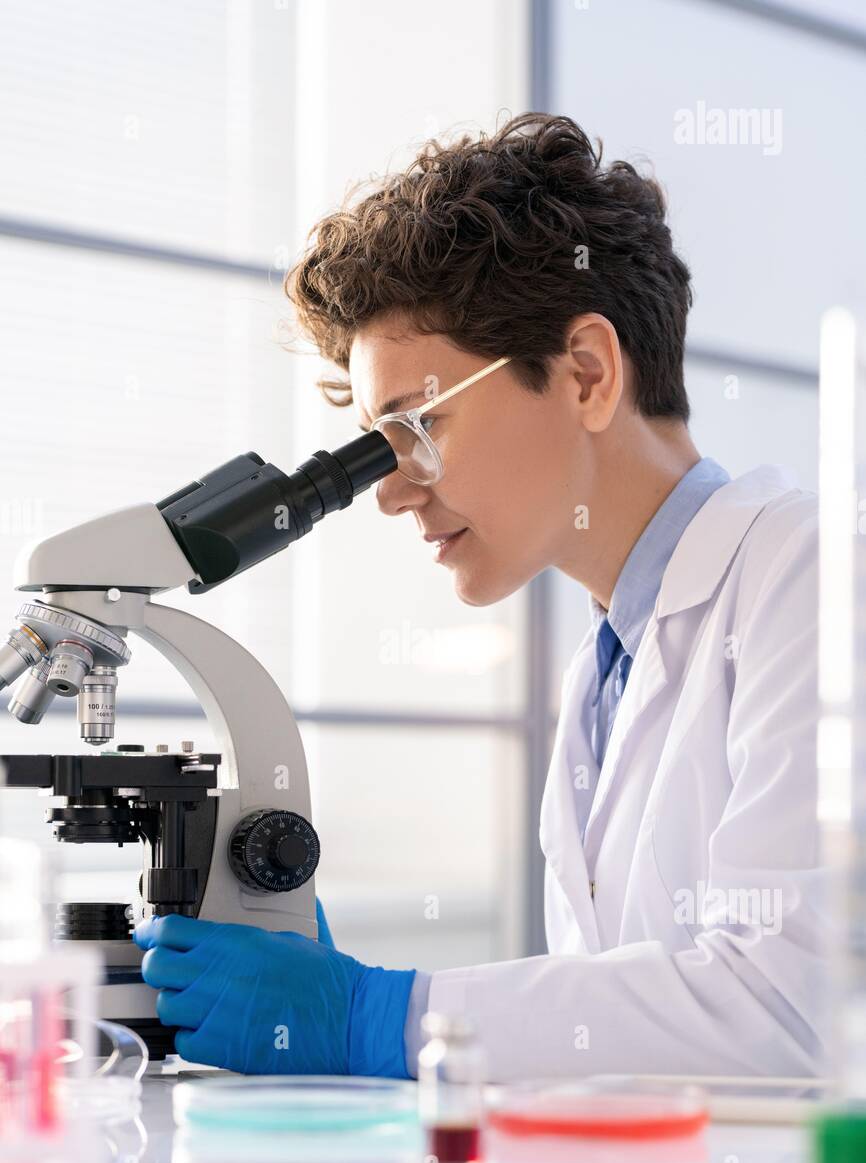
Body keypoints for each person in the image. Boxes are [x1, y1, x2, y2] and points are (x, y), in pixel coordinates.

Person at [134, 113, 828, 1080]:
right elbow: (625, 1042)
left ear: (586, 374)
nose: (388, 490)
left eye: (417, 426)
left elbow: (792, 1009)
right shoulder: (608, 665)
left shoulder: (820, 581)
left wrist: (382, 1018)